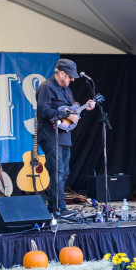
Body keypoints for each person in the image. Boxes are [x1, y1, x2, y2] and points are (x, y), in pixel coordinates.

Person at [36, 58, 95, 217]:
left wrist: (84, 109)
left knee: (65, 172)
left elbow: (72, 113)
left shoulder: (67, 91)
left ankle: (52, 205)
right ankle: (59, 208)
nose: (72, 79)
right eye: (70, 76)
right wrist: (65, 113)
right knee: (57, 171)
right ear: (61, 73)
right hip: (50, 135)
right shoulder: (47, 87)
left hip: (64, 135)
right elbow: (43, 110)